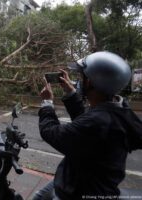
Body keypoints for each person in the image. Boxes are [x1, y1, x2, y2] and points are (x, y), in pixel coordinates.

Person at [34, 51, 142, 200]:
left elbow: (51, 132)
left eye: (81, 77)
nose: (78, 81)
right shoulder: (119, 109)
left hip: (78, 190)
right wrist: (71, 93)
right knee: (39, 196)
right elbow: (86, 119)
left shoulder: (99, 121)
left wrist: (47, 103)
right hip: (77, 178)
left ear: (90, 82)